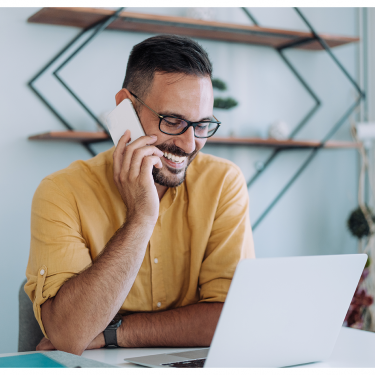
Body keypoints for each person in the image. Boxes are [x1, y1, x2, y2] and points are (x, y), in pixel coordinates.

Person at [25, 34, 255, 356]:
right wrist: (142, 217)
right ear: (126, 108)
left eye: (202, 125)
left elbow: (230, 318)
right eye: (173, 121)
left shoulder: (223, 183)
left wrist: (114, 333)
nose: (190, 145)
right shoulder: (62, 193)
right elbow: (69, 335)